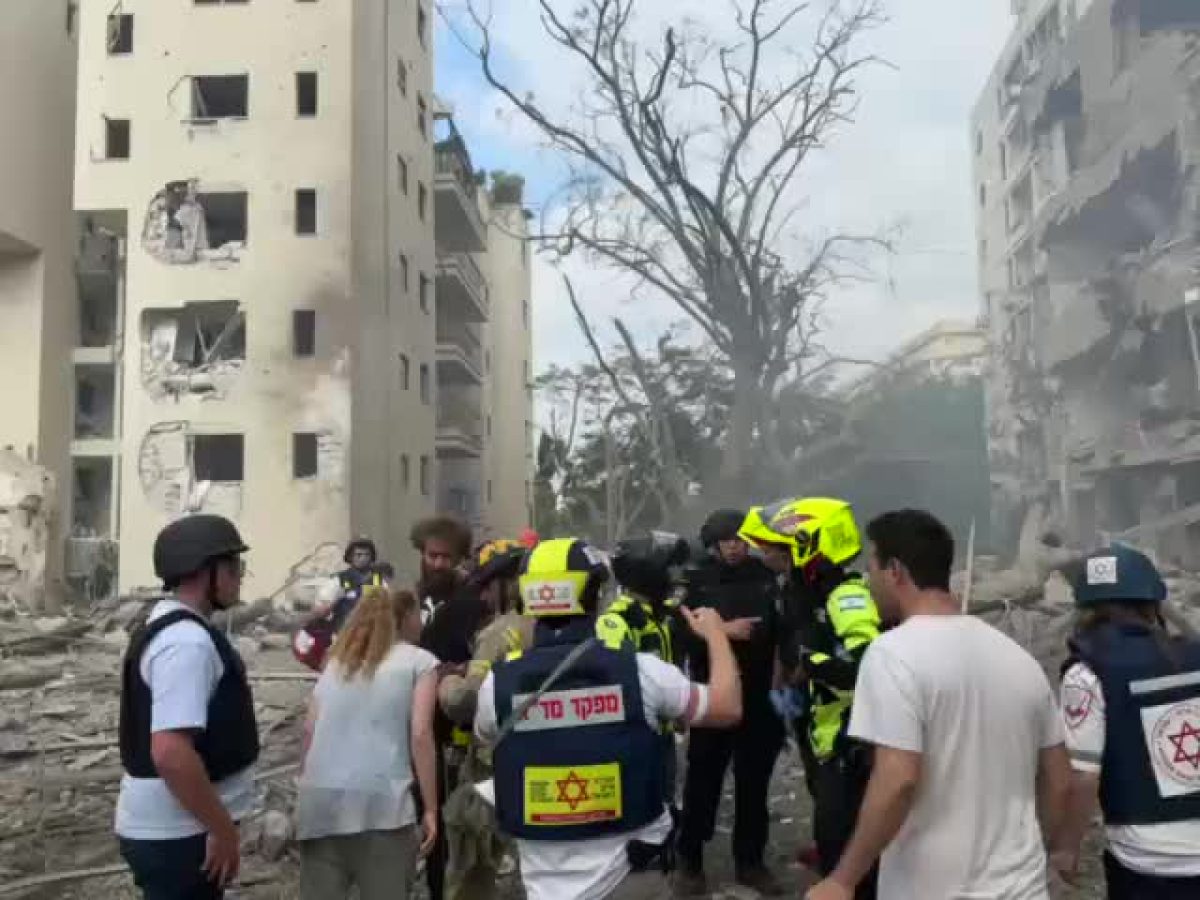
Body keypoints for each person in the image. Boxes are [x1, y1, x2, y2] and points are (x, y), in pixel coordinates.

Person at [806, 508, 1073, 900]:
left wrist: (843, 879)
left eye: (871, 568)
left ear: (894, 570)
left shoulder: (891, 655)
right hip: (1024, 889)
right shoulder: (1018, 659)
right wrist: (1038, 854)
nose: (867, 581)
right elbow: (1060, 779)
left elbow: (898, 779)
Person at [474, 537, 744, 900]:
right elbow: (727, 708)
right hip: (632, 878)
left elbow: (487, 733)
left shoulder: (496, 685)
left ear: (527, 597)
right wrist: (716, 636)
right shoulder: (640, 671)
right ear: (597, 594)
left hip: (545, 887)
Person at [739, 497, 880, 897]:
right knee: (831, 834)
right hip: (824, 731)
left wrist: (813, 663)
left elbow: (867, 668)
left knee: (847, 848)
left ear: (808, 545)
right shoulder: (802, 590)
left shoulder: (845, 595)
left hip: (852, 741)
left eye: (775, 547)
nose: (766, 555)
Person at [116, 515, 257, 900]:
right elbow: (171, 752)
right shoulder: (187, 643)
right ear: (203, 572)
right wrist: (221, 827)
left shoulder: (169, 626)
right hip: (179, 835)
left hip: (176, 829)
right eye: (232, 567)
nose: (239, 576)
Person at [1052, 544, 1200, 898]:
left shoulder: (1087, 673)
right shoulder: (1194, 654)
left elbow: (1083, 777)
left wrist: (1066, 850)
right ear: (1153, 603)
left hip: (1148, 865)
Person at [295, 586, 438, 900]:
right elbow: (420, 734)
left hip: (318, 804)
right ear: (407, 618)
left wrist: (302, 785)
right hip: (383, 806)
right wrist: (430, 809)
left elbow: (309, 732)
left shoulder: (335, 664)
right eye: (418, 613)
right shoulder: (420, 662)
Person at [675, 508, 786, 897]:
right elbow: (683, 632)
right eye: (727, 542)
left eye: (741, 541)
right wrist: (723, 632)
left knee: (754, 786)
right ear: (714, 545)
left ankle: (751, 863)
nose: (735, 548)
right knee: (702, 782)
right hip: (713, 697)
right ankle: (689, 861)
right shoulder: (695, 580)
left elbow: (781, 631)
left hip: (758, 698)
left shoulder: (766, 577)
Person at [438, 540, 533, 900]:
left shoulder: (500, 633)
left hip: (491, 767)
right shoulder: (554, 627)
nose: (484, 597)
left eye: (487, 586)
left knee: (473, 863)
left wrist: (448, 682)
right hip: (540, 760)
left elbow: (465, 702)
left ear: (505, 584)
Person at [293, 536, 391, 671]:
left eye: (367, 555)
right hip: (343, 636)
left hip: (371, 636)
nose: (362, 558)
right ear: (350, 557)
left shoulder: (378, 581)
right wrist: (334, 601)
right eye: (358, 554)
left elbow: (388, 607)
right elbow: (319, 610)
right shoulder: (339, 581)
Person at [412, 515, 473, 625]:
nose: (438, 565)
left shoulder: (470, 598)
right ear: (423, 554)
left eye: (446, 557)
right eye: (433, 556)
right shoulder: (414, 600)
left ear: (459, 559)